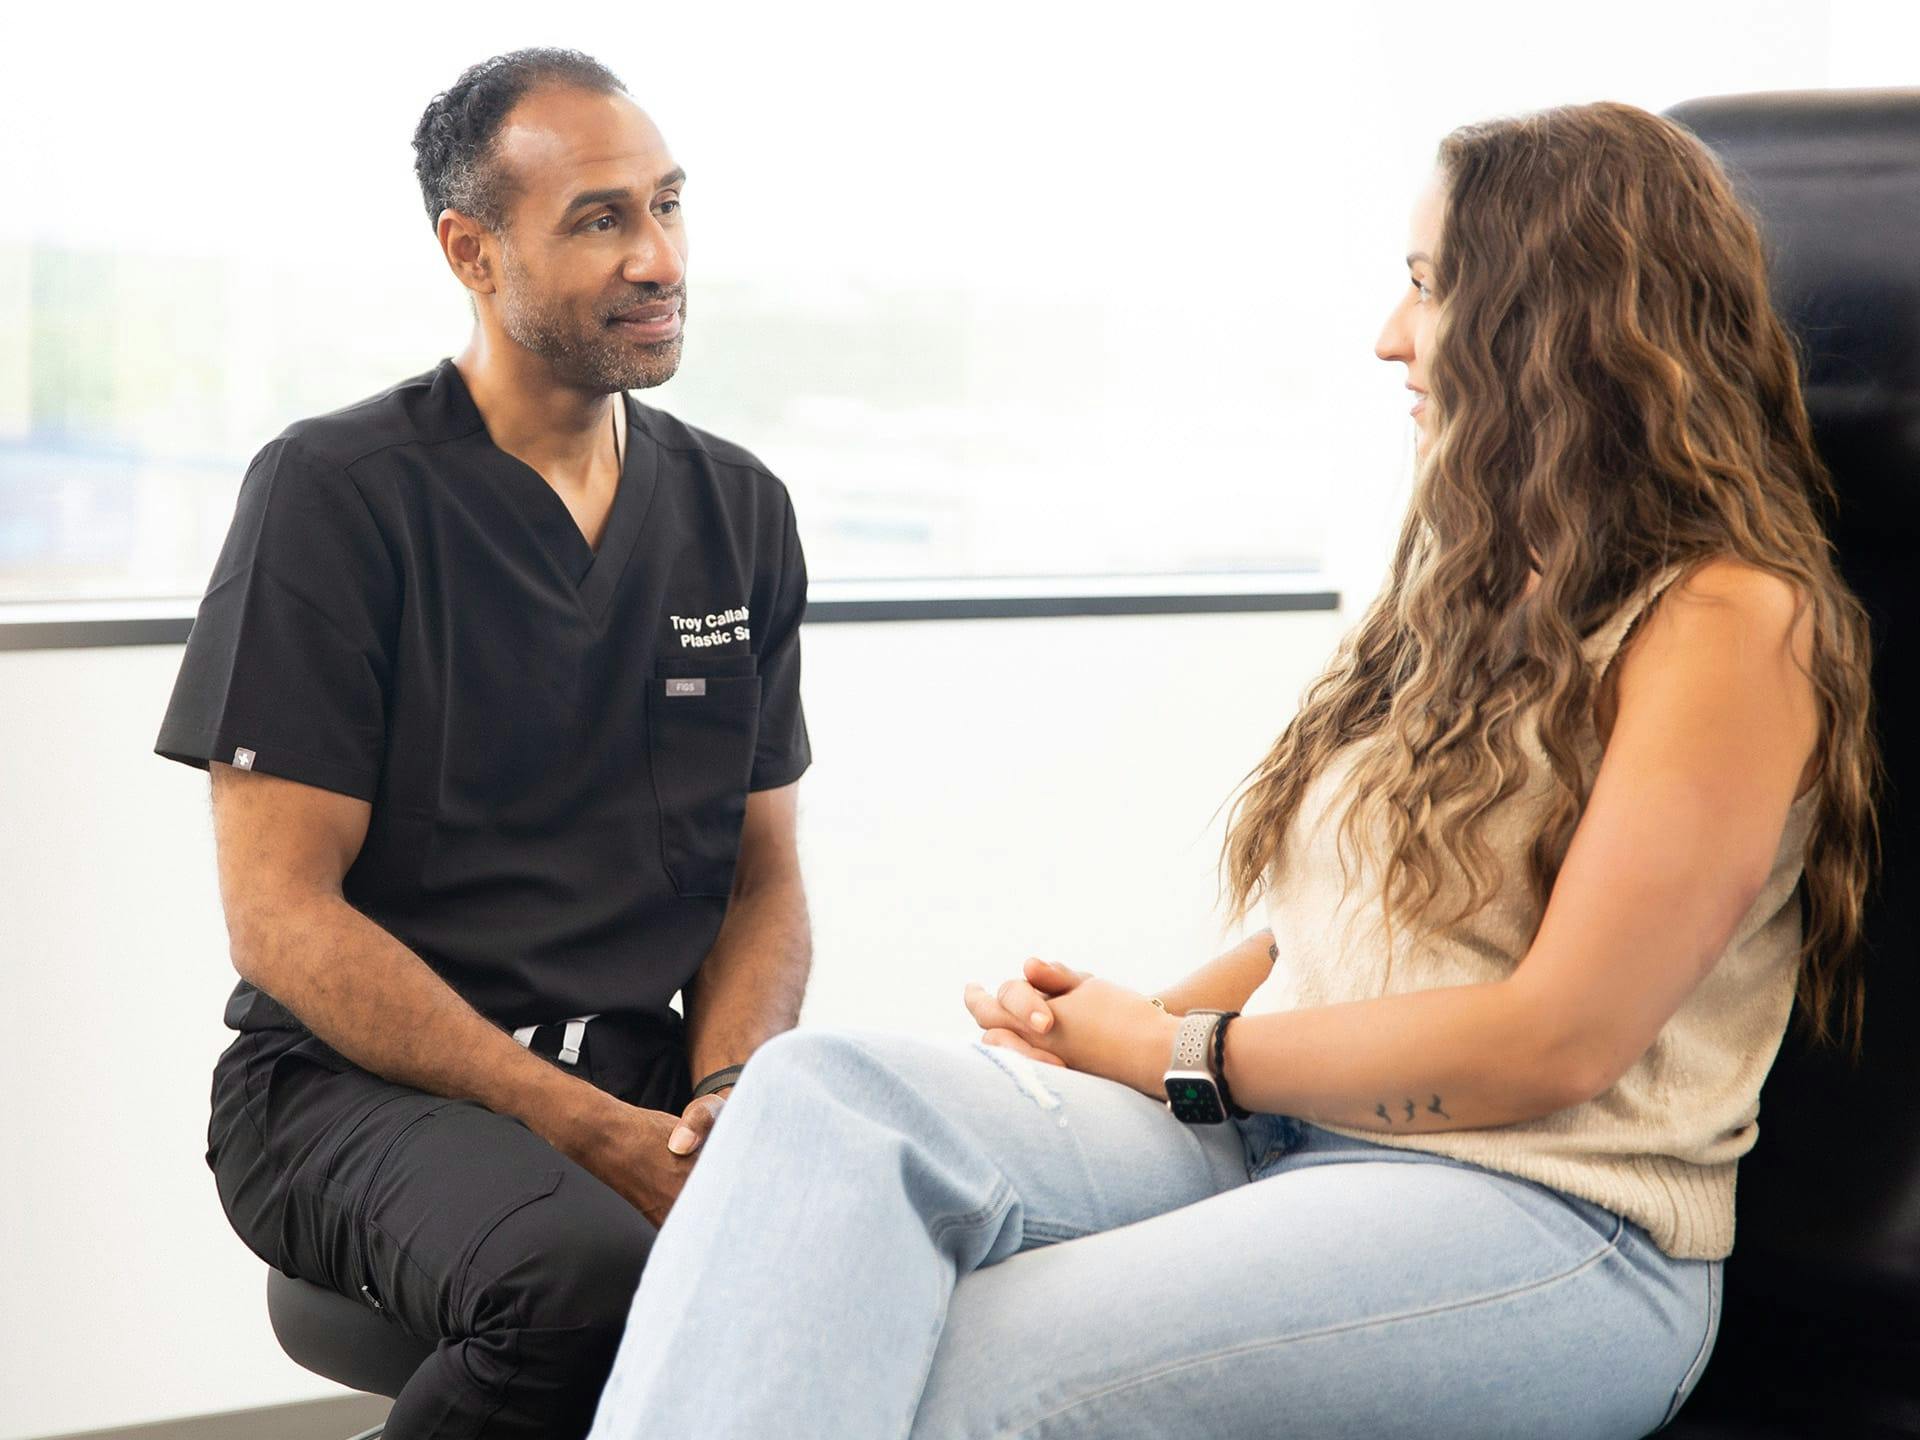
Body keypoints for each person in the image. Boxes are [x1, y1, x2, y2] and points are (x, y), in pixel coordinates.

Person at [584, 100, 1882, 1440]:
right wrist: (1119, 1025)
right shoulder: (1477, 583)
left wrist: (1174, 1048)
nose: (1391, 332)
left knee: (971, 1368)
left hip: (1555, 1221)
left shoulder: (1728, 624)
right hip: (1300, 1140)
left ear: (1556, 318)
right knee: (826, 1099)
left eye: (1430, 286)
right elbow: (1353, 936)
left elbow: (1552, 1039)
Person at [153, 48, 813, 1439]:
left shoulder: (738, 512)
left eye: (668, 205)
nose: (657, 255)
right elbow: (278, 921)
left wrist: (731, 1096)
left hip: (643, 1075)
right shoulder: (337, 497)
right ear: (470, 249)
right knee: (583, 1283)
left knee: (877, 1252)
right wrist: (580, 1128)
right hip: (347, 1095)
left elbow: (761, 878)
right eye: (598, 219)